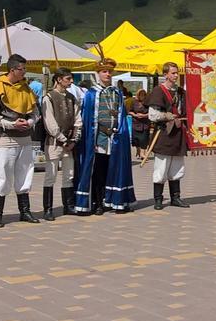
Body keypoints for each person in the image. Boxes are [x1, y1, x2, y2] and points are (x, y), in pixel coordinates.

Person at [0, 53, 41, 227]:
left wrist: (30, 122)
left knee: (25, 175)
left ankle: (25, 211)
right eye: (21, 69)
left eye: (25, 69)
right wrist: (12, 124)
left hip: (25, 138)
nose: (24, 72)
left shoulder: (26, 88)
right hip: (5, 139)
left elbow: (35, 112)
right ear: (12, 69)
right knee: (3, 176)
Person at [75, 59, 135, 215]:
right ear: (98, 73)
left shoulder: (117, 92)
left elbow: (121, 116)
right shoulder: (91, 94)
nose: (107, 74)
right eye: (104, 71)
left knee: (114, 169)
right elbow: (87, 118)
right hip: (99, 137)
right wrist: (91, 140)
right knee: (99, 171)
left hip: (115, 137)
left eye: (109, 72)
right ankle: (98, 201)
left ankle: (116, 200)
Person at [146, 61, 189, 210]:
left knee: (177, 167)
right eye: (173, 73)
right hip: (163, 133)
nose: (176, 75)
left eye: (177, 73)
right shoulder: (159, 91)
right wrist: (165, 115)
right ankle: (158, 199)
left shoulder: (180, 92)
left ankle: (175, 197)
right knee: (161, 168)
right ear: (166, 74)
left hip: (178, 133)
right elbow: (152, 115)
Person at [41, 67, 82, 220]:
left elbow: (78, 120)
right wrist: (62, 139)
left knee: (69, 175)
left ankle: (68, 206)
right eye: (68, 78)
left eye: (71, 78)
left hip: (69, 144)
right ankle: (48, 209)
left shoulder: (72, 98)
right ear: (58, 79)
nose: (71, 81)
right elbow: (49, 122)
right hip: (53, 143)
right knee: (50, 175)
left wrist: (73, 139)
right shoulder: (49, 97)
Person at [130, 89, 151, 160]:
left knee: (144, 139)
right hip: (136, 123)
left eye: (144, 94)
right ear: (138, 95)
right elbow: (130, 111)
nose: (142, 96)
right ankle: (138, 150)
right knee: (136, 140)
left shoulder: (148, 103)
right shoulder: (134, 102)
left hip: (145, 123)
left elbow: (151, 112)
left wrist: (144, 115)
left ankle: (142, 154)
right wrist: (135, 115)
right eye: (141, 94)